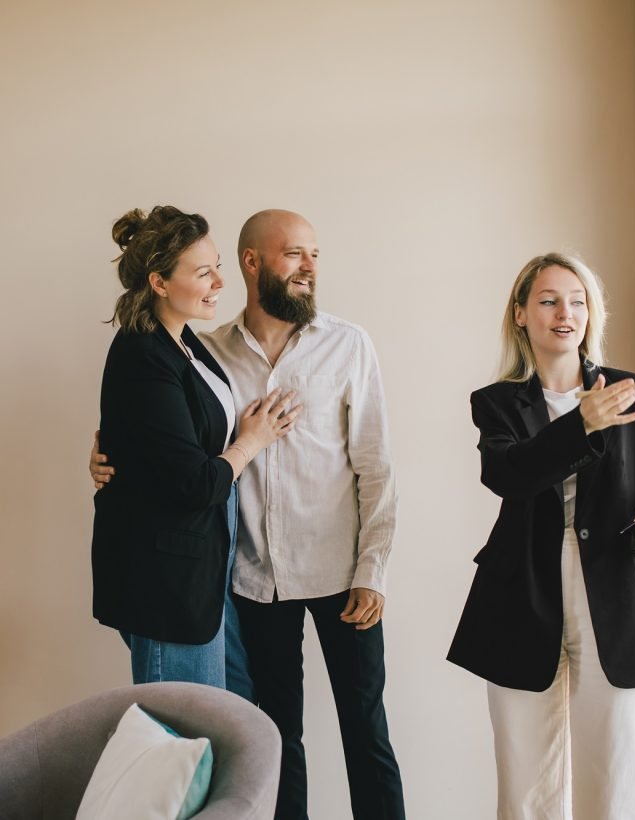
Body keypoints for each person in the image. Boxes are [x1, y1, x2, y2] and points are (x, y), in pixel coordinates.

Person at [92, 209, 405, 820]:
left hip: (344, 574)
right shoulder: (207, 352)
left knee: (367, 732)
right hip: (252, 583)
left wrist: (375, 569)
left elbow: (378, 465)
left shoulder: (349, 345)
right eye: (294, 253)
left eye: (314, 253)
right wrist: (109, 458)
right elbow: (167, 441)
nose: (311, 267)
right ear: (252, 262)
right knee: (274, 737)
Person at [447, 252, 635, 820]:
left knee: (625, 765)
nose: (565, 313)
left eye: (577, 301)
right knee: (529, 782)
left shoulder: (632, 392)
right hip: (522, 591)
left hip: (616, 591)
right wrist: (582, 421)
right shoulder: (497, 401)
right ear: (522, 314)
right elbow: (507, 474)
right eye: (549, 300)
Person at [91, 205, 299, 696]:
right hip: (168, 579)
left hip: (204, 567)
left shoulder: (186, 341)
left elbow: (167, 444)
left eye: (218, 266)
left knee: (233, 709)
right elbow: (194, 483)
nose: (220, 283)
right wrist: (254, 440)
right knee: (184, 739)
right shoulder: (142, 354)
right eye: (203, 272)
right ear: (159, 282)